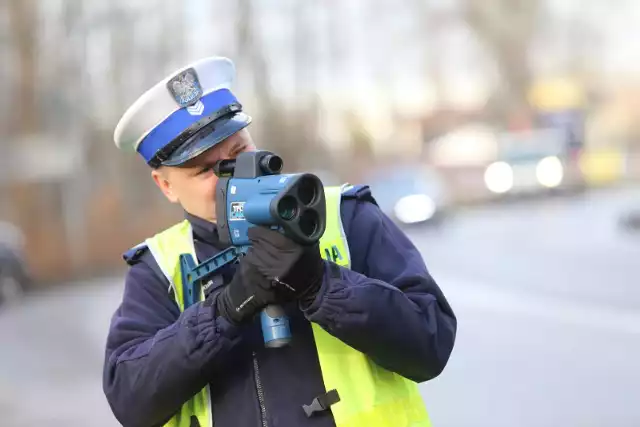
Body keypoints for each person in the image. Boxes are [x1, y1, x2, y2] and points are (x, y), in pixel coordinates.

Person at [103, 56, 457, 427]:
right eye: (208, 169)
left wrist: (323, 286)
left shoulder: (344, 215)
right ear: (166, 185)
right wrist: (223, 313)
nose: (233, 175)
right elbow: (132, 400)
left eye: (238, 152)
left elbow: (431, 343)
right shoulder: (160, 267)